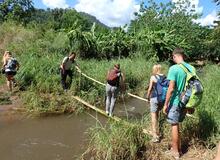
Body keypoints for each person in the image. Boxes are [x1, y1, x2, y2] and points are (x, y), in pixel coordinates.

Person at [163, 48, 196, 159]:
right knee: (177, 124)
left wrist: (166, 104)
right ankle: (176, 148)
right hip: (186, 102)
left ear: (174, 57)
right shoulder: (191, 68)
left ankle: (176, 152)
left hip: (176, 101)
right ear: (183, 56)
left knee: (174, 125)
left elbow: (171, 88)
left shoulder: (174, 68)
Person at [146, 64, 164, 143]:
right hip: (162, 99)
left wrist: (147, 97)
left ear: (155, 69)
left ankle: (155, 136)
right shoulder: (165, 77)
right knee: (158, 113)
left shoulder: (153, 77)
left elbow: (150, 89)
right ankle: (159, 130)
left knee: (153, 116)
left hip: (154, 98)